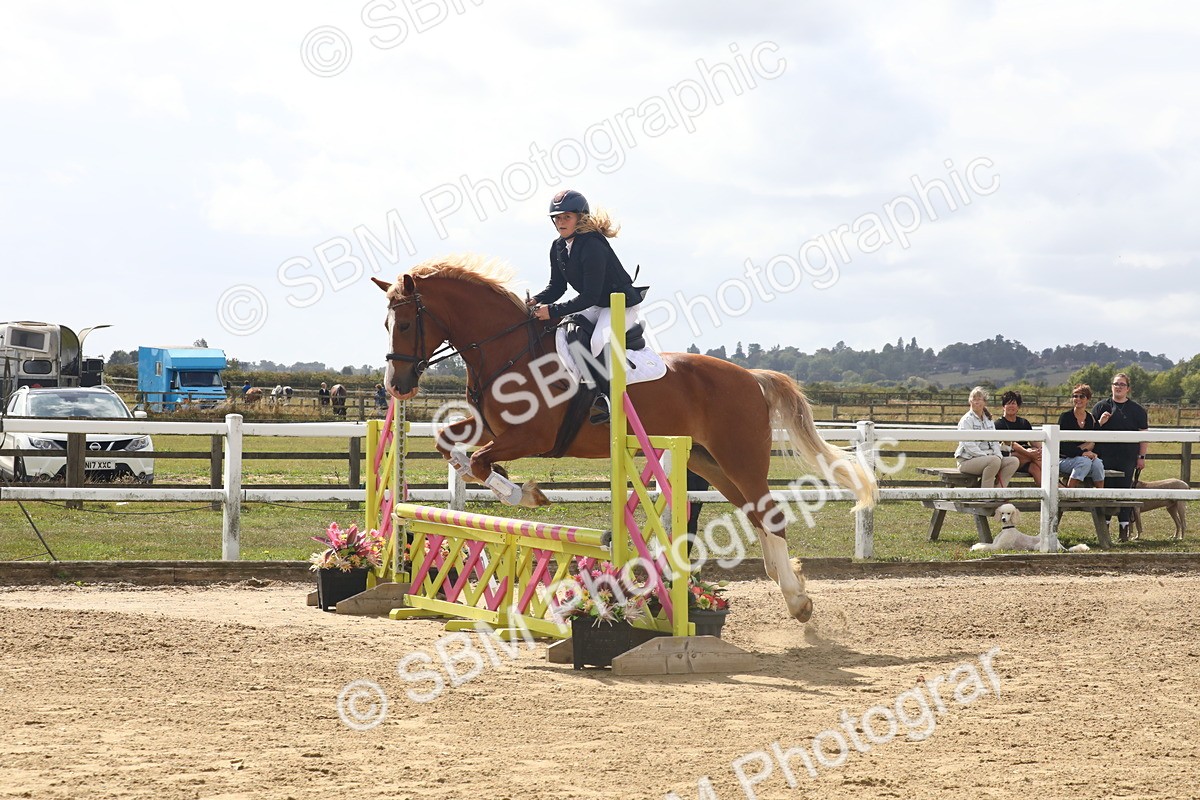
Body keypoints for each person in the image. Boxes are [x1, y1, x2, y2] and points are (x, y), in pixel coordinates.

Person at [529, 189, 644, 422]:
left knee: (597, 340)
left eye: (566, 217)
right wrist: (537, 300)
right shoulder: (558, 247)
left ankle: (606, 399)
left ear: (580, 218)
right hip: (598, 304)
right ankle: (584, 388)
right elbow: (557, 286)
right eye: (557, 218)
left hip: (620, 304)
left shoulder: (592, 245)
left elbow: (589, 295)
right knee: (566, 332)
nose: (560, 222)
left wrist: (552, 311)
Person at [1093, 372, 1149, 541]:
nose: (1118, 387)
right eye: (1116, 384)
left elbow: (1144, 435)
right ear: (1111, 386)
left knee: (1125, 490)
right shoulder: (1100, 407)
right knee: (1107, 489)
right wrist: (1100, 423)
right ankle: (1105, 528)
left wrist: (1142, 457)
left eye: (1122, 385)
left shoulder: (1137, 410)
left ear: (1128, 389)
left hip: (1127, 456)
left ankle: (1124, 529)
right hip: (1105, 456)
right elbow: (1090, 432)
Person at [954, 387, 1019, 488]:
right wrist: (985, 456)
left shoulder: (989, 420)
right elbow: (968, 445)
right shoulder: (966, 420)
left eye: (979, 399)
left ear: (984, 402)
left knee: (1013, 461)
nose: (976, 402)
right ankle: (986, 496)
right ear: (969, 401)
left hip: (989, 458)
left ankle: (998, 493)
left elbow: (994, 442)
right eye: (973, 399)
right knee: (994, 461)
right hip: (968, 460)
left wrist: (998, 455)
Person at [1057, 384, 1105, 488]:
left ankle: (1100, 496)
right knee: (1084, 462)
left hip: (1085, 458)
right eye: (1075, 396)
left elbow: (1098, 443)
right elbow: (1063, 447)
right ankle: (1069, 493)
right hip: (1065, 459)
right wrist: (1083, 452)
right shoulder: (1065, 417)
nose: (1078, 399)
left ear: (1088, 399)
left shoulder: (1092, 419)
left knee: (1098, 464)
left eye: (1082, 396)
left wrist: (1093, 453)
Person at [994, 390, 1042, 484]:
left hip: (1028, 458)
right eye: (1008, 403)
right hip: (1009, 457)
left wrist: (1040, 450)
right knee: (1038, 458)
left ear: (1018, 407)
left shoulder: (1024, 423)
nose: (1011, 406)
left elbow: (1034, 441)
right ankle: (1060, 488)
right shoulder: (998, 424)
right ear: (1003, 407)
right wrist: (1029, 453)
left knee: (1035, 468)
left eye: (1014, 403)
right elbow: (1011, 444)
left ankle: (1053, 493)